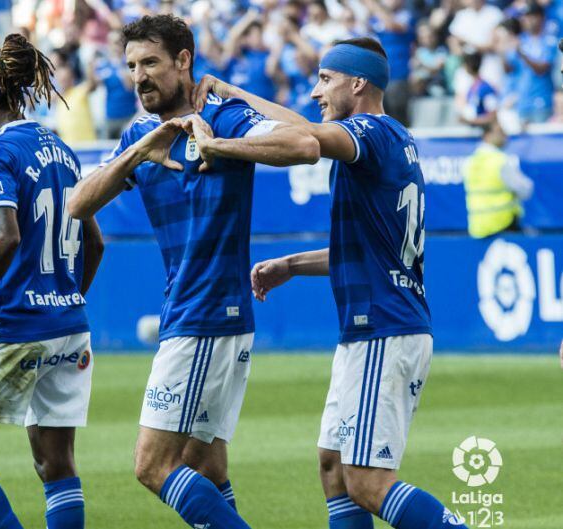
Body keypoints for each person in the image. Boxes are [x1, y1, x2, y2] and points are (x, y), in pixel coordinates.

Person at [193, 37, 470, 529]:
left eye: (325, 79)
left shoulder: (368, 132)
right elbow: (309, 135)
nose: (316, 91)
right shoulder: (394, 137)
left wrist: (218, 143)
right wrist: (292, 265)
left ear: (357, 82)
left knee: (366, 482)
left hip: (385, 328)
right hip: (381, 326)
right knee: (333, 468)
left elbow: (302, 142)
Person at [67, 14, 319, 529]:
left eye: (152, 63)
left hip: (203, 312)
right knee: (205, 465)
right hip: (202, 310)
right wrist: (139, 151)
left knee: (153, 465)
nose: (139, 76)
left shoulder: (223, 116)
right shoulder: (142, 132)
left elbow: (306, 143)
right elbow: (78, 204)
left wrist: (219, 139)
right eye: (132, 65)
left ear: (184, 61)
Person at [0, 34, 105, 529]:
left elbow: (4, 237)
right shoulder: (62, 151)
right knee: (57, 465)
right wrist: (67, 298)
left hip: (15, 323)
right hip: (69, 324)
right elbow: (95, 243)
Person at [462, 121, 533, 238]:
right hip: (503, 225)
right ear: (487, 135)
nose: (504, 135)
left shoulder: (470, 161)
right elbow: (526, 190)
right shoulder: (500, 161)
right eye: (500, 131)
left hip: (478, 228)